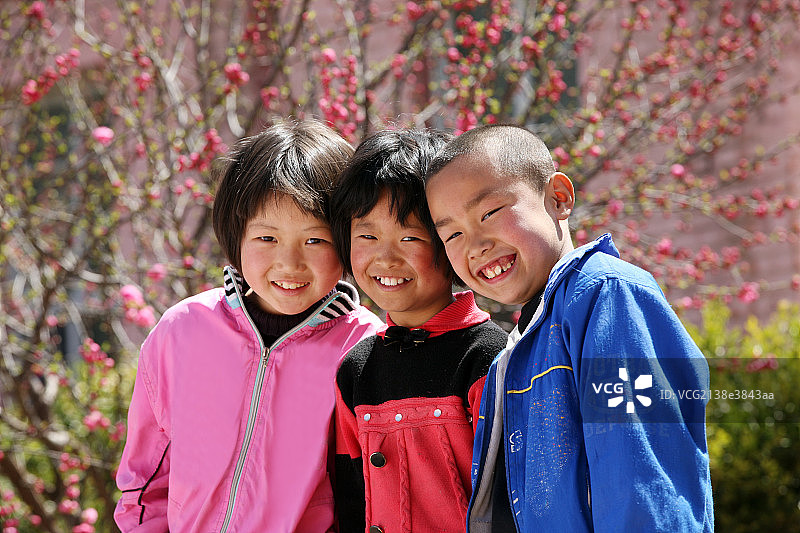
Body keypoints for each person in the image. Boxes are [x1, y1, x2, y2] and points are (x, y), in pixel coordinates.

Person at [424, 124, 714, 532]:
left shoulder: (606, 297)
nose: (475, 244)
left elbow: (640, 475)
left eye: (489, 213)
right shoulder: (522, 344)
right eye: (452, 233)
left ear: (557, 198)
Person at [114, 119, 383, 532]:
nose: (289, 264)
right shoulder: (182, 331)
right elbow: (146, 480)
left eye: (315, 240)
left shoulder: (364, 348)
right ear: (236, 236)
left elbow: (368, 496)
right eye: (266, 239)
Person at [329, 129, 509, 533]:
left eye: (409, 236)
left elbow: (510, 496)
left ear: (449, 241)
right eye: (367, 236)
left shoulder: (488, 357)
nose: (385, 257)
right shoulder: (355, 370)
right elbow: (350, 496)